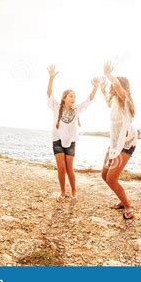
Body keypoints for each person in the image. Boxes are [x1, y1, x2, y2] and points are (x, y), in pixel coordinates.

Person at [46, 65, 98, 203]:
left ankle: (74, 192)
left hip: (71, 142)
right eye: (71, 96)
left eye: (74, 96)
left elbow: (89, 100)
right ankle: (63, 192)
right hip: (57, 140)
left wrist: (95, 87)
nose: (73, 98)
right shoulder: (56, 107)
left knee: (70, 169)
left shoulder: (76, 110)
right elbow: (49, 94)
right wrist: (51, 78)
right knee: (61, 168)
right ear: (64, 98)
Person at [99, 61, 137, 220]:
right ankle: (122, 201)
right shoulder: (115, 101)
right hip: (114, 144)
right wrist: (102, 89)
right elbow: (109, 102)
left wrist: (108, 74)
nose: (114, 88)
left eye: (116, 87)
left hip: (126, 144)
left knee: (111, 178)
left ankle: (128, 206)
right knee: (104, 175)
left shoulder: (125, 100)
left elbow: (117, 87)